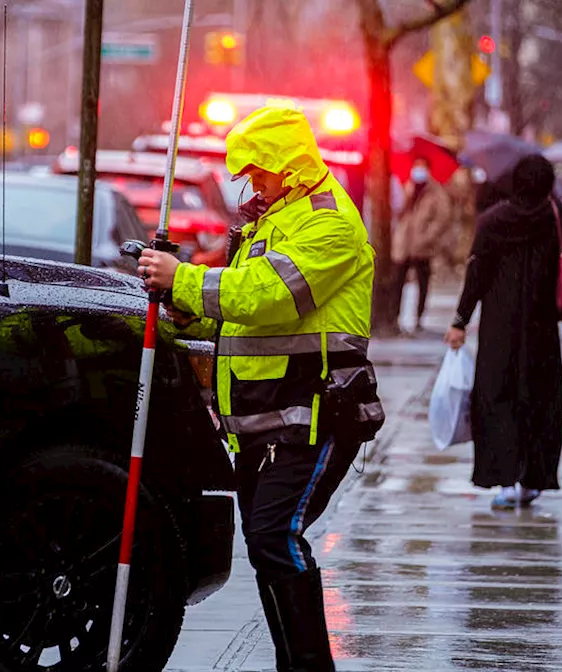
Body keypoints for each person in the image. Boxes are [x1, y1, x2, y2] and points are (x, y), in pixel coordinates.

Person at [139, 104, 382, 672]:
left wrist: (186, 280)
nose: (254, 183)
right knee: (266, 543)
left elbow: (271, 296)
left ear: (291, 167)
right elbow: (240, 313)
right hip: (264, 420)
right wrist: (183, 309)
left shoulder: (330, 224)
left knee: (276, 535)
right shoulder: (270, 219)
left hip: (316, 413)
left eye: (261, 172)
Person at [444, 155, 562, 509]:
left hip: (499, 331)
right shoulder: (556, 217)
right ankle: (533, 480)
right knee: (539, 401)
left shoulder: (493, 221)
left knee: (497, 399)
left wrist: (460, 320)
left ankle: (503, 481)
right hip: (542, 331)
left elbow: (476, 276)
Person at [392, 157, 454, 332]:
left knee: (422, 283)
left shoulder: (436, 192)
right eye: (416, 166)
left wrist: (428, 237)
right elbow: (399, 211)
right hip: (404, 245)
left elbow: (443, 218)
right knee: (398, 282)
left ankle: (418, 319)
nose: (418, 171)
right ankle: (395, 316)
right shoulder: (408, 187)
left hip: (423, 246)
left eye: (421, 167)